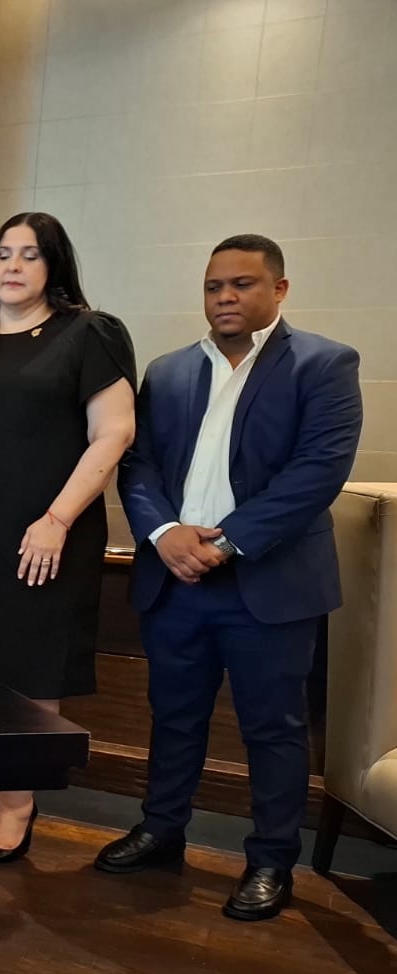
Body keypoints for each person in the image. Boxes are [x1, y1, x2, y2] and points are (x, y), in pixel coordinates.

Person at [98, 235, 362, 921]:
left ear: (279, 289)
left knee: (273, 729)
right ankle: (161, 830)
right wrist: (165, 533)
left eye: (242, 284)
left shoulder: (323, 364)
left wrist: (228, 541)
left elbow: (318, 471)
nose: (225, 297)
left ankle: (272, 861)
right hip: (175, 580)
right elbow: (138, 465)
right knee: (174, 717)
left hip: (268, 583)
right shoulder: (168, 372)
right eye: (214, 286)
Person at [0, 212, 136, 865]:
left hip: (48, 534)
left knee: (32, 675)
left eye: (31, 255)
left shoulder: (88, 334)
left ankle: (18, 803)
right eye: (3, 253)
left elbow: (114, 433)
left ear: (54, 265)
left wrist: (57, 518)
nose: (13, 266)